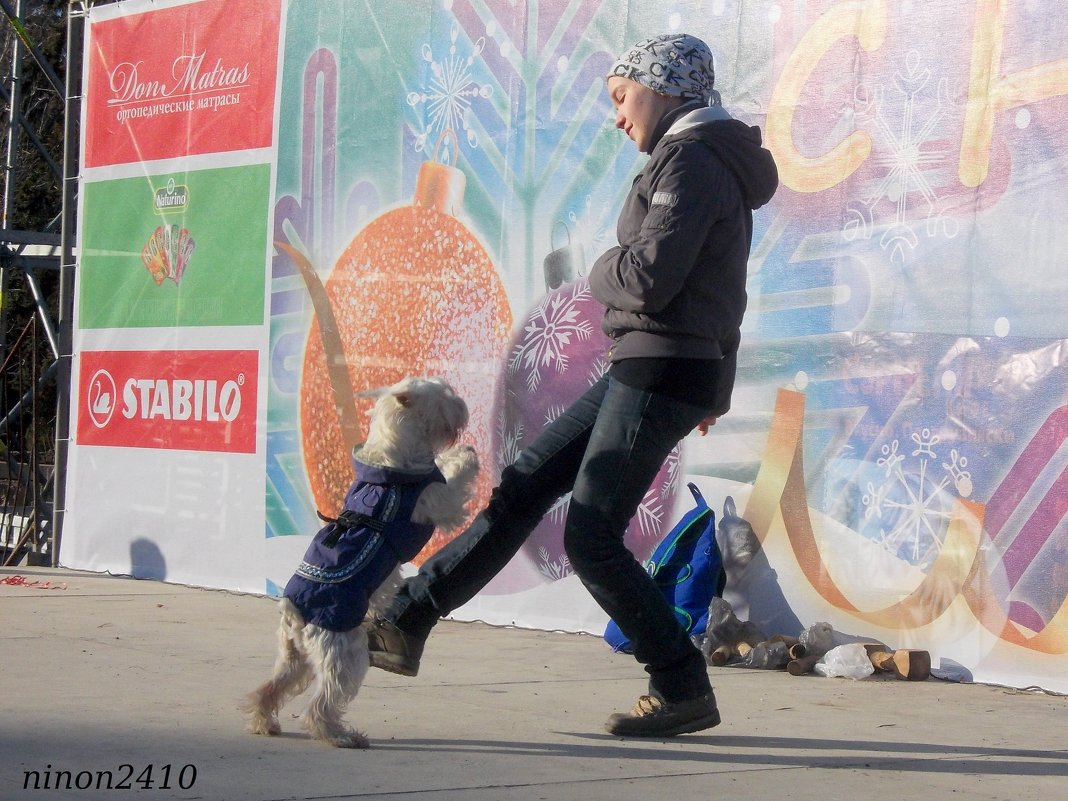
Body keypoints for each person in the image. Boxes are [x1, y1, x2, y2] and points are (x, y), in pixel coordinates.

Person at [363, 32, 778, 737]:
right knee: (526, 482)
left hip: (660, 365)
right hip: (657, 365)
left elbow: (647, 277)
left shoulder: (692, 158)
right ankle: (404, 622)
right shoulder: (706, 160)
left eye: (622, 97)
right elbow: (721, 290)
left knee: (589, 535)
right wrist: (717, 384)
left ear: (664, 87)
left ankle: (680, 683)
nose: (617, 116)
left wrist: (596, 273)